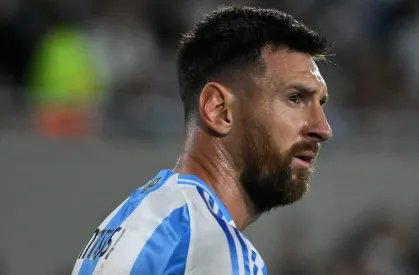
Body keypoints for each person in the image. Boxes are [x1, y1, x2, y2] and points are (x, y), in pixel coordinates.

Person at [71, 5, 332, 275]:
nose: (323, 128)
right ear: (219, 109)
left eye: (320, 103)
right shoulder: (215, 252)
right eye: (295, 98)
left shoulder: (127, 221)